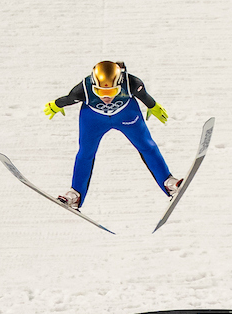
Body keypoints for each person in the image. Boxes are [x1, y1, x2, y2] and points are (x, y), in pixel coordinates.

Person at [43, 61, 182, 210]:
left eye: (111, 91)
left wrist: (153, 106)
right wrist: (56, 105)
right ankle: (75, 194)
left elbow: (144, 96)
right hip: (94, 119)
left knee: (147, 146)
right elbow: (68, 99)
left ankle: (169, 183)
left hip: (126, 114)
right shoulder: (82, 89)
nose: (106, 97)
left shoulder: (132, 83)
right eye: (100, 91)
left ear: (120, 83)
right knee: (85, 153)